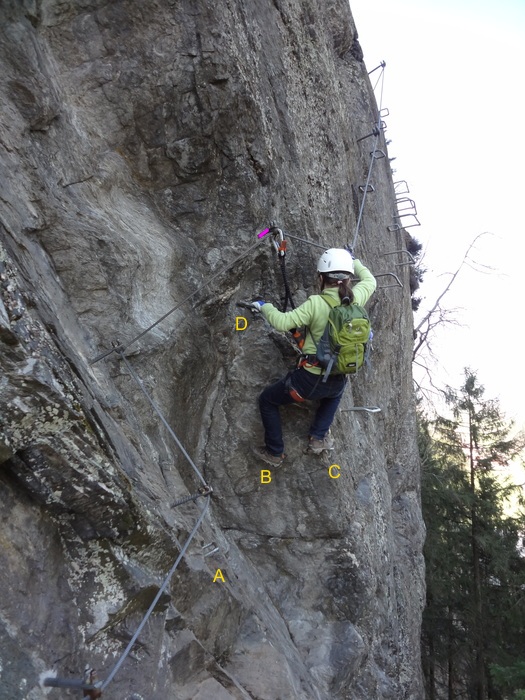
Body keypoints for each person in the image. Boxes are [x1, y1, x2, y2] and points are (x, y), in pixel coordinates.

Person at [251, 248, 376, 467]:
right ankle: (318, 438)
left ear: (320, 278)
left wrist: (264, 306)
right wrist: (354, 260)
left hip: (307, 382)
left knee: (267, 400)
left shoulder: (315, 303)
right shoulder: (357, 298)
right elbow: (370, 280)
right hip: (338, 378)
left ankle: (275, 452)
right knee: (335, 395)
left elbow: (282, 322)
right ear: (348, 277)